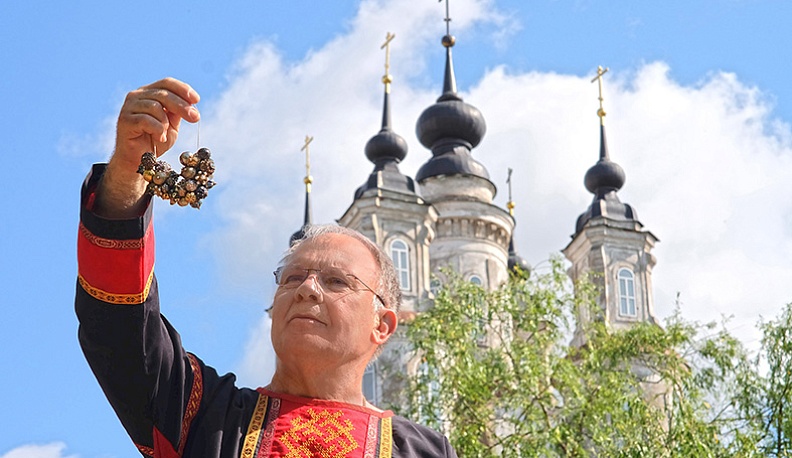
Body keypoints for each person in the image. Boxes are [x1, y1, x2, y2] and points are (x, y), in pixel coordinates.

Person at [75, 77, 457, 457]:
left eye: (336, 281)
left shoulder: (423, 450)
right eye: (292, 277)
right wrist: (128, 170)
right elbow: (121, 331)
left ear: (382, 324)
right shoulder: (207, 417)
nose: (307, 289)